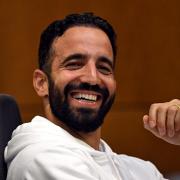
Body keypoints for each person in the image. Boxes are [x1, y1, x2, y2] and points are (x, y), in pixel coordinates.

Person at [5, 12, 180, 180]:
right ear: (42, 83)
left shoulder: (139, 169)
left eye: (104, 68)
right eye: (74, 64)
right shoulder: (41, 159)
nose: (93, 78)